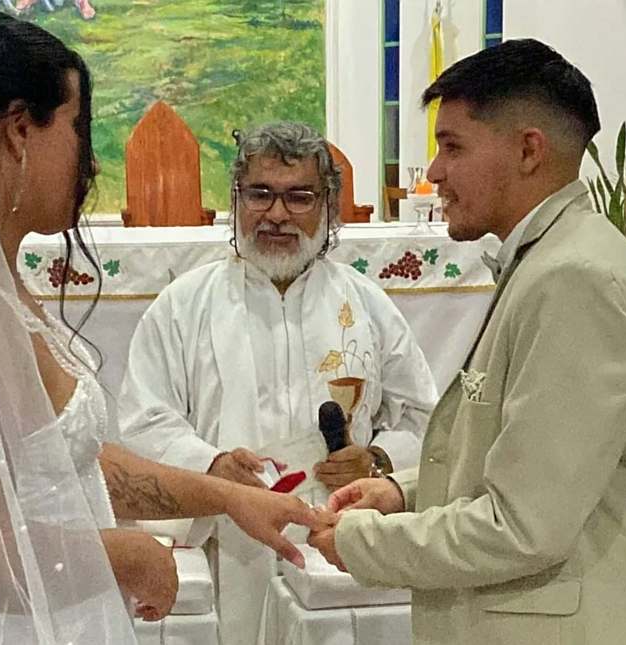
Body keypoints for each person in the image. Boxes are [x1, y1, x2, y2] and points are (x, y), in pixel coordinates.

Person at [0, 12, 322, 644]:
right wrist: (130, 555)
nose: (90, 160)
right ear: (19, 131)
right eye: (75, 127)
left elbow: (65, 463)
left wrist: (228, 497)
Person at [308, 38, 626, 645]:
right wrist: (400, 494)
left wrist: (363, 541)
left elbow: (525, 525)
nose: (434, 172)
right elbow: (519, 461)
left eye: (452, 146)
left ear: (528, 150)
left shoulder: (575, 278)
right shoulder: (550, 259)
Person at [118, 121, 437, 644]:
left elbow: (426, 420)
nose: (277, 214)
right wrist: (211, 467)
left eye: (299, 197)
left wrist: (378, 459)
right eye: (260, 194)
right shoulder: (184, 305)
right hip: (227, 533)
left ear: (327, 205)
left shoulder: (367, 306)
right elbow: (143, 420)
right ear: (236, 199)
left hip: (336, 528)